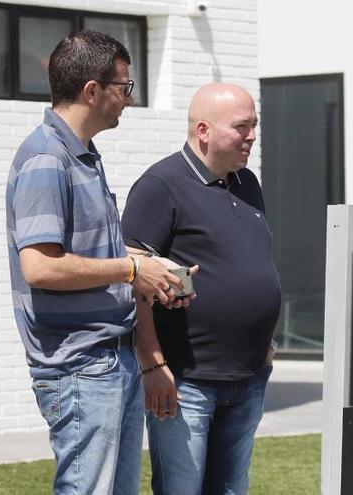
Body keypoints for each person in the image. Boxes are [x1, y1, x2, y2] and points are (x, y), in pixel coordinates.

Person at [5, 30, 189, 494]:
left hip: (108, 360)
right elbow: (40, 267)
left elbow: (92, 255)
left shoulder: (84, 156)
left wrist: (155, 270)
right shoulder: (47, 159)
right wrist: (130, 270)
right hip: (80, 368)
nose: (129, 99)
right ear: (92, 90)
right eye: (124, 87)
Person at [121, 83, 281, 495]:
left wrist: (264, 340)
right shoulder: (160, 185)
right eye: (242, 126)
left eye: (254, 125)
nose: (252, 136)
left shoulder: (247, 183)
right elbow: (133, 279)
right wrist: (152, 363)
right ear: (204, 131)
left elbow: (250, 266)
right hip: (185, 383)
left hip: (248, 376)